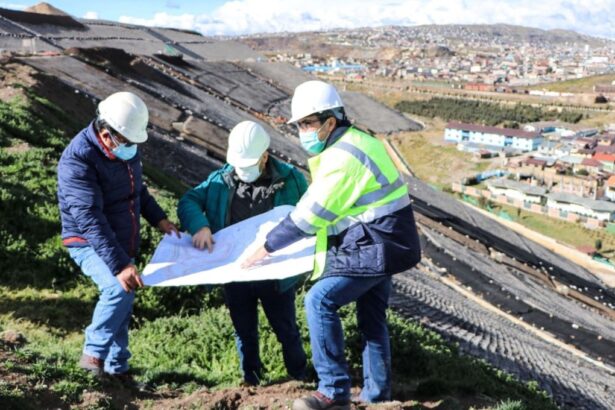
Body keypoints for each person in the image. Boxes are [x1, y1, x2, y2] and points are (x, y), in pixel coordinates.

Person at [243, 81, 421, 410]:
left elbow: (310, 216)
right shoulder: (358, 141)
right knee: (372, 320)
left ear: (331, 121)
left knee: (319, 300)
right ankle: (377, 397)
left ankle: (333, 390)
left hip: (376, 245)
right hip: (388, 240)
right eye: (300, 125)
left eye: (310, 123)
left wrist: (265, 247)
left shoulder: (343, 157)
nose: (304, 131)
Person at [57, 91, 180, 379]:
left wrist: (160, 219)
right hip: (87, 240)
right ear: (105, 132)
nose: (131, 148)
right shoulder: (78, 160)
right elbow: (89, 218)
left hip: (120, 240)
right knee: (117, 289)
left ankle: (118, 369)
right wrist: (120, 265)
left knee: (124, 301)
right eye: (126, 142)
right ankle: (92, 357)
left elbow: (138, 191)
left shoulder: (123, 149)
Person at [177, 120, 308, 385]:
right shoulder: (220, 180)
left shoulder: (292, 180)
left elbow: (310, 213)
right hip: (236, 273)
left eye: (250, 165)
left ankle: (299, 375)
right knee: (244, 331)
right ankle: (252, 379)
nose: (243, 171)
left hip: (275, 272)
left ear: (265, 156)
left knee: (286, 329)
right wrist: (199, 226)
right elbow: (189, 200)